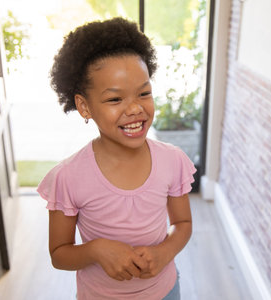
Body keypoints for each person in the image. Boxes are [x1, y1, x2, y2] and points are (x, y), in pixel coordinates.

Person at [37, 17, 196, 300]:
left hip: (165, 291)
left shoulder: (172, 161)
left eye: (144, 93)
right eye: (114, 99)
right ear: (84, 107)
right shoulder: (68, 177)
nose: (135, 108)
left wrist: (164, 252)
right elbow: (59, 255)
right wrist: (96, 249)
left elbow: (183, 224)